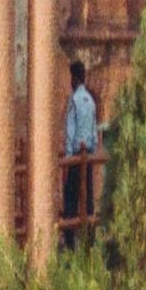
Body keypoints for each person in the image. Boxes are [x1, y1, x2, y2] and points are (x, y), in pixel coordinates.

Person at [60, 58, 100, 248]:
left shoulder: (74, 101)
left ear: (75, 79)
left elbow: (70, 130)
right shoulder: (91, 101)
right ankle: (89, 239)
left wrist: (68, 158)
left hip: (76, 156)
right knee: (88, 198)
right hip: (89, 156)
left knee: (70, 198)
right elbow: (94, 131)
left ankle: (69, 241)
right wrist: (91, 149)